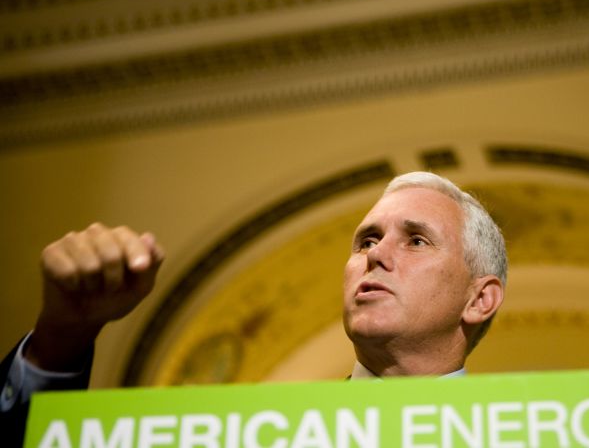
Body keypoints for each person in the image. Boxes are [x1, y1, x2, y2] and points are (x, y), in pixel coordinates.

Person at [0, 171, 507, 444]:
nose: (374, 254)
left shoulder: (545, 434)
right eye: (365, 240)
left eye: (416, 241)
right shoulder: (243, 437)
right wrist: (60, 343)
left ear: (479, 299)